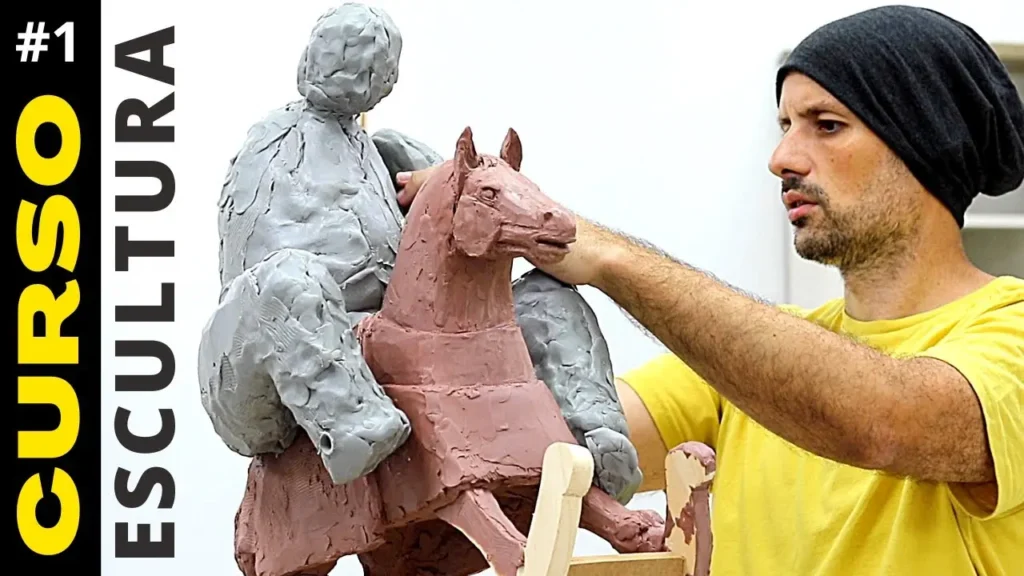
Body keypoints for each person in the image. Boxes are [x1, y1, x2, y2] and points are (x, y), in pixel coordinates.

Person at [395, 5, 1023, 575]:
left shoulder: (1010, 336)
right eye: (785, 125)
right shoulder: (739, 379)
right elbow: (530, 449)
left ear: (927, 141)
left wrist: (610, 257)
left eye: (827, 125)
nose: (782, 157)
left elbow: (879, 422)